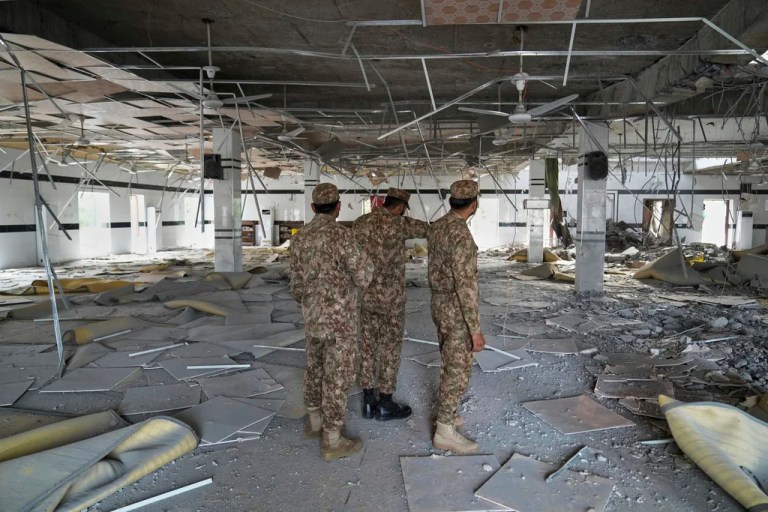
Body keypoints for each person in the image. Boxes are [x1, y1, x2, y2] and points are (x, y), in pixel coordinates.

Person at [289, 183, 374, 461]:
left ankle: (314, 423)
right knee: (337, 376)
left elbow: (296, 288)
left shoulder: (300, 238)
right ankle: (332, 440)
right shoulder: (343, 236)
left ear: (313, 208)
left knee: (313, 367)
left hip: (313, 317)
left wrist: (312, 303)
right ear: (338, 207)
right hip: (340, 320)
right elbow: (363, 277)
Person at [352, 188, 428, 421]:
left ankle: (367, 401)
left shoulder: (360, 222)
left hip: (365, 296)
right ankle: (385, 403)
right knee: (390, 349)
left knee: (366, 346)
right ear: (401, 206)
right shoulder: (401, 224)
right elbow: (429, 230)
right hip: (392, 300)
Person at [427, 179, 486, 454]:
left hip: (439, 303)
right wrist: (475, 329)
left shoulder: (438, 226)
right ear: (473, 204)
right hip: (455, 307)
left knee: (449, 360)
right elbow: (465, 284)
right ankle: (444, 431)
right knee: (458, 367)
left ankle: (448, 414)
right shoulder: (460, 235)